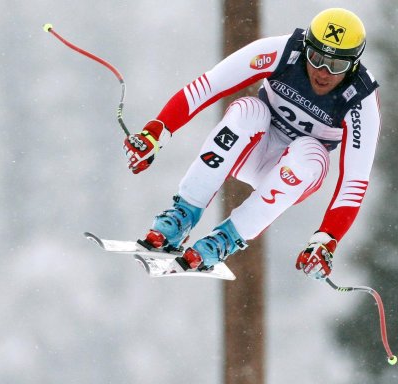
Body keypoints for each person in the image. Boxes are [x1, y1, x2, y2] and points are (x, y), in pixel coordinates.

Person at [123, 8, 380, 279]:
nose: (323, 73)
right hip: (251, 151)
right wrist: (157, 131)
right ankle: (183, 214)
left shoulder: (360, 99)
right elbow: (209, 84)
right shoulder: (284, 51)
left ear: (353, 65)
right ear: (306, 49)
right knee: (249, 110)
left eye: (336, 65)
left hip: (293, 175)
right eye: (316, 58)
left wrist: (326, 238)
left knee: (311, 152)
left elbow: (355, 181)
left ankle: (224, 239)